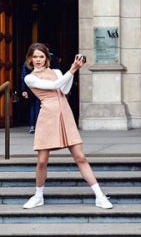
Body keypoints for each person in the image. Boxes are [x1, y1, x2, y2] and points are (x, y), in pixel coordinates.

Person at [22, 43, 112, 209]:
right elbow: (53, 86)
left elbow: (64, 89)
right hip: (47, 115)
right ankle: (38, 195)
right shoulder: (30, 77)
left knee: (80, 157)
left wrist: (73, 71)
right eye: (35, 57)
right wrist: (72, 69)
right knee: (42, 161)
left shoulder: (56, 72)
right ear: (30, 59)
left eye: (41, 56)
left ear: (47, 58)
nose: (38, 60)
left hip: (65, 113)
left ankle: (99, 196)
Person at [20, 61, 41, 134]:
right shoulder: (42, 60)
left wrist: (24, 89)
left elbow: (23, 76)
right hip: (39, 87)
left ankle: (33, 126)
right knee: (38, 106)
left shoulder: (27, 62)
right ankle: (37, 126)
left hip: (31, 87)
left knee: (33, 106)